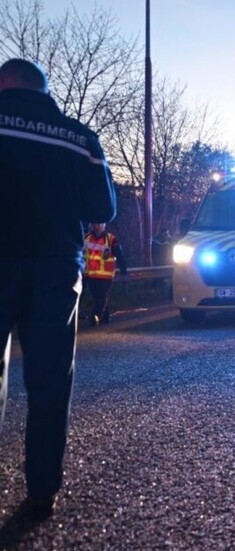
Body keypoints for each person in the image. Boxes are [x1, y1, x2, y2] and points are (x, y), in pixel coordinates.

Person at [0, 58, 116, 520]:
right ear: (45, 90)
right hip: (54, 267)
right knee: (49, 380)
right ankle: (42, 491)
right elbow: (103, 207)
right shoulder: (79, 138)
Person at [83, 223, 128, 325]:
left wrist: (123, 268)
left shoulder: (111, 239)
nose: (97, 226)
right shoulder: (86, 238)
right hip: (90, 275)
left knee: (101, 297)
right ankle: (105, 316)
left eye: (100, 223)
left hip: (105, 276)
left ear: (104, 225)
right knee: (97, 297)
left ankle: (95, 316)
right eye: (95, 223)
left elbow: (119, 255)